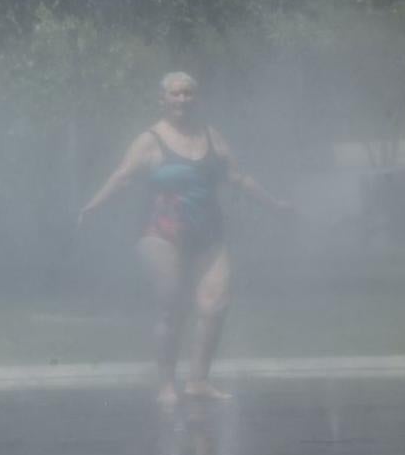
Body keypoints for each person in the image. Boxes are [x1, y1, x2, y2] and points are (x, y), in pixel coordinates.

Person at [79, 72, 291, 407]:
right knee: (172, 306)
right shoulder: (150, 140)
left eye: (188, 94)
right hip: (161, 231)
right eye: (175, 94)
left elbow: (238, 177)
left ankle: (198, 380)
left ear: (197, 98)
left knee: (216, 304)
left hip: (208, 230)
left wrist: (274, 205)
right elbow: (122, 177)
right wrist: (93, 206)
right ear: (162, 100)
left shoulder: (212, 136)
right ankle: (165, 384)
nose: (182, 100)